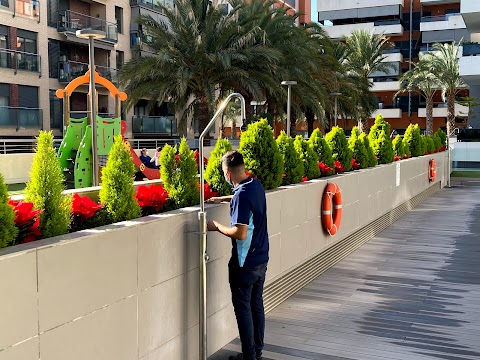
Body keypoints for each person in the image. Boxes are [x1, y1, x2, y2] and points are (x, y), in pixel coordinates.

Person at [207, 150, 269, 360]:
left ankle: (249, 357)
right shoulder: (255, 185)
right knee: (256, 305)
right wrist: (224, 198)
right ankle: (256, 352)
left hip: (244, 264)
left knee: (243, 311)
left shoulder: (241, 195)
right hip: (261, 259)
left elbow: (240, 233)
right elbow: (243, 198)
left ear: (227, 174)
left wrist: (215, 226)